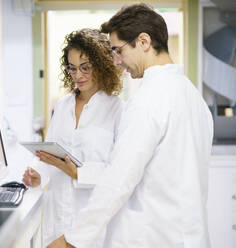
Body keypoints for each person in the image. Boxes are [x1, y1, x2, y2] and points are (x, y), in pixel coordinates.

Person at [48, 3, 214, 248]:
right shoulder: (192, 95)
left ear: (144, 41)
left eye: (118, 50)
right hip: (188, 236)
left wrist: (72, 239)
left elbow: (118, 179)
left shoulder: (149, 99)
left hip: (150, 236)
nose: (115, 61)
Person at [22, 28, 124, 247]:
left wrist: (77, 172)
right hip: (57, 215)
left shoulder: (117, 110)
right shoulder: (62, 106)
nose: (78, 75)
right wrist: (38, 175)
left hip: (92, 223)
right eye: (72, 68)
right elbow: (50, 156)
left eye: (85, 67)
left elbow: (120, 173)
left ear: (102, 66)